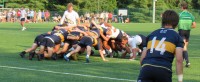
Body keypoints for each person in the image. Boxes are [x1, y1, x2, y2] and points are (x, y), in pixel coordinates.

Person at [137, 10, 184, 82]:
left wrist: (145, 69)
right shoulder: (177, 37)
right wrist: (180, 80)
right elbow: (179, 60)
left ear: (163, 20)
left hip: (146, 68)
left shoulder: (151, 34)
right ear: (176, 23)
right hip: (164, 70)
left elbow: (142, 58)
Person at [178, 1, 196, 67]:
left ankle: (188, 62)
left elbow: (176, 24)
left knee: (184, 47)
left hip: (181, 31)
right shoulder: (191, 15)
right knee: (185, 46)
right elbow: (194, 25)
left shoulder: (180, 15)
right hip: (188, 32)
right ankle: (183, 61)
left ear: (182, 7)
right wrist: (188, 26)